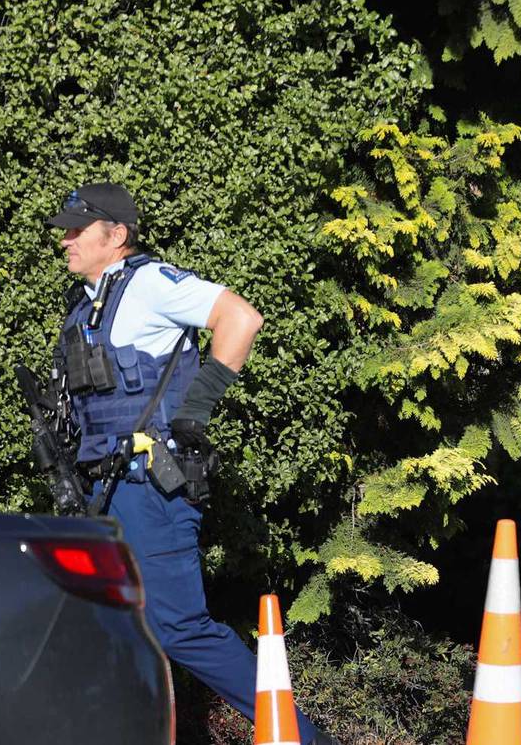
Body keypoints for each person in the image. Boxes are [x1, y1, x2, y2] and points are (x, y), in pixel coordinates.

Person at [45, 183, 336, 745]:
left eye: (78, 228)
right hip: (101, 491)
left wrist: (196, 408)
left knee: (180, 631)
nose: (66, 239)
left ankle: (301, 738)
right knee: (110, 628)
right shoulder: (86, 303)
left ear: (117, 235)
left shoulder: (150, 282)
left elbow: (240, 318)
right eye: (66, 228)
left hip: (149, 486)